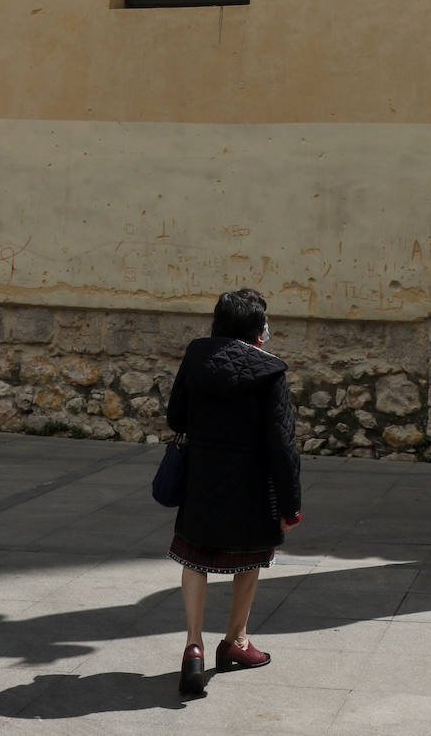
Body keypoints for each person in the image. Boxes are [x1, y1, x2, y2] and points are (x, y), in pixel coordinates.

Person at [166, 287, 301, 698]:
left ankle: (194, 644)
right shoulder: (270, 372)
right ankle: (236, 641)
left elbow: (175, 417)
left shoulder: (195, 356)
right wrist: (291, 504)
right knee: (250, 558)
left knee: (195, 557)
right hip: (251, 485)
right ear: (257, 330)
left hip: (202, 479)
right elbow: (282, 444)